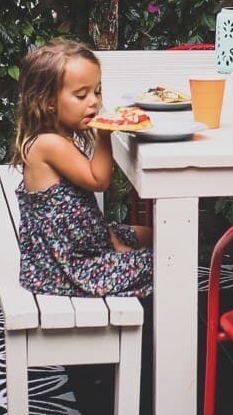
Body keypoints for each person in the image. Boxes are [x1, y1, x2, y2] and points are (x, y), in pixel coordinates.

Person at [13, 38, 153, 297]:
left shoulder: (56, 137)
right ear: (48, 101)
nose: (94, 102)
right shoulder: (48, 144)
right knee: (164, 262)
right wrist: (104, 134)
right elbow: (97, 181)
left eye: (97, 91)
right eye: (81, 95)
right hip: (67, 268)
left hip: (83, 243)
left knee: (150, 234)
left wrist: (111, 240)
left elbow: (82, 212)